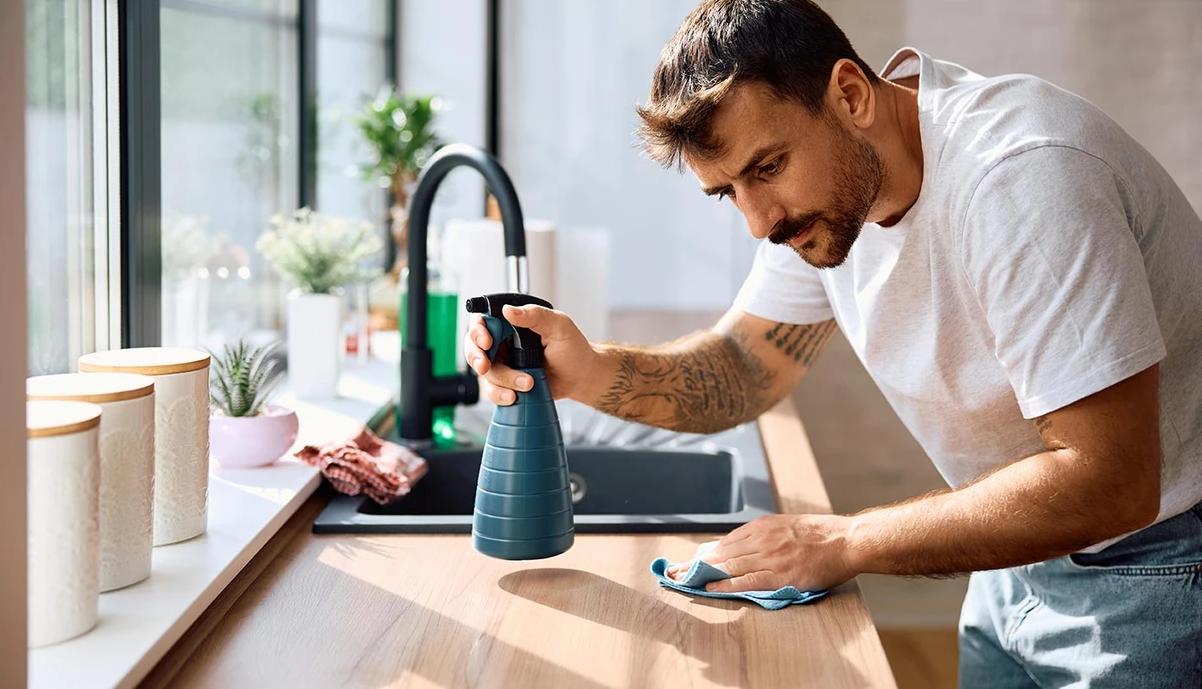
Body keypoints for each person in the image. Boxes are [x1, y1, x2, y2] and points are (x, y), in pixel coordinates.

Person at [464, 1, 1202, 686]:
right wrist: (588, 370)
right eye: (728, 192)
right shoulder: (824, 208)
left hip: (1162, 570)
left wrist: (843, 540)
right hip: (1020, 553)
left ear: (850, 94)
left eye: (767, 168)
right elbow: (744, 367)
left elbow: (1111, 480)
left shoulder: (1019, 178)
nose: (759, 221)